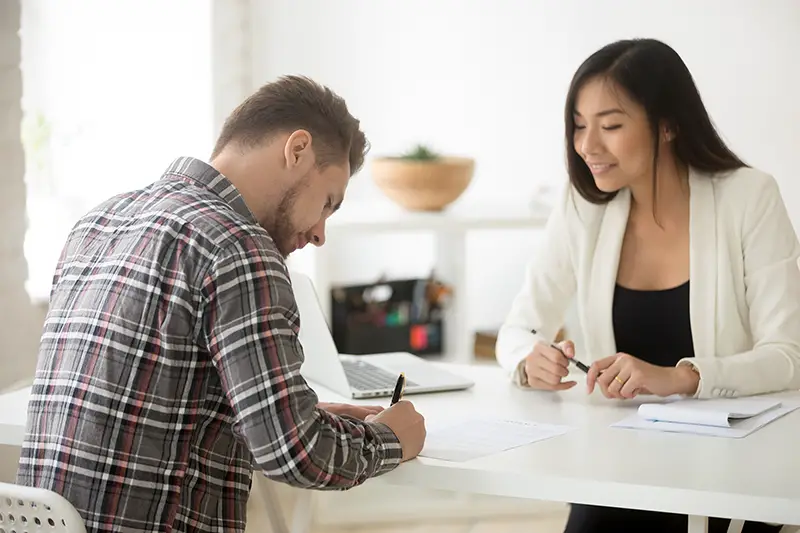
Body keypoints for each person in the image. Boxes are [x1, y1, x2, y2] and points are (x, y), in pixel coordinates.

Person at [16, 75, 427, 533]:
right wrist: (390, 439)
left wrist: (290, 412)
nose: (319, 233)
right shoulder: (238, 249)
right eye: (328, 202)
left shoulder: (98, 224)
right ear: (297, 150)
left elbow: (155, 407)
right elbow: (296, 454)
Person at [495, 38, 800, 533]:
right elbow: (518, 330)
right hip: (618, 466)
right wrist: (531, 362)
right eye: (578, 126)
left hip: (730, 470)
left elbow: (789, 355)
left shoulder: (749, 198)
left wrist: (680, 377)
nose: (587, 146)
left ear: (668, 125)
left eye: (611, 126)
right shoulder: (583, 207)